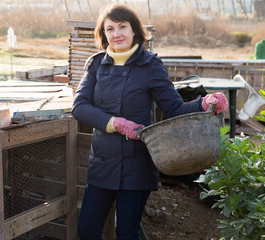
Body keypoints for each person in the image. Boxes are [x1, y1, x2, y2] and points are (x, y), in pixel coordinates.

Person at [72, 3, 228, 240]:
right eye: (110, 29)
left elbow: (174, 108)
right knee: (87, 228)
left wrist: (204, 104)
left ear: (134, 30)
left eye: (122, 26)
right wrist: (115, 122)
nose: (117, 34)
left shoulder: (150, 65)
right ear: (104, 34)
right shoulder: (96, 65)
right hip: (103, 163)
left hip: (137, 165)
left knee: (127, 232)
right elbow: (79, 107)